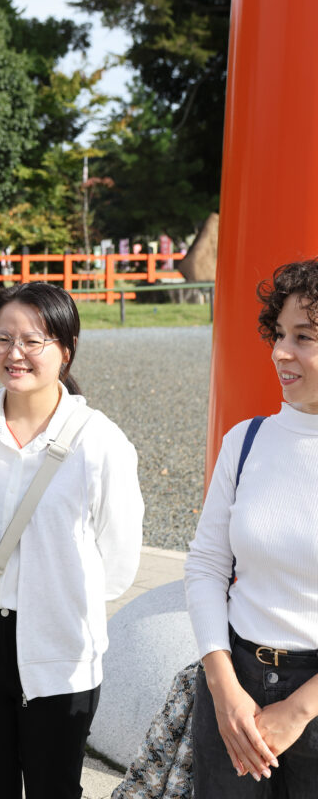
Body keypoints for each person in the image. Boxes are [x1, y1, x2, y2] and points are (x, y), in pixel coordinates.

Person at [0, 282, 143, 798]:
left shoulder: (100, 442)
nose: (15, 353)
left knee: (55, 785)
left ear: (65, 350)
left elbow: (117, 560)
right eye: (1, 338)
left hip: (60, 639)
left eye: (33, 340)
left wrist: (62, 590)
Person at [185, 259, 318, 797]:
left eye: (304, 337)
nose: (280, 353)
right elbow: (205, 565)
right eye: (279, 334)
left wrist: (300, 709)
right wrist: (222, 687)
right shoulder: (246, 439)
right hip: (233, 679)